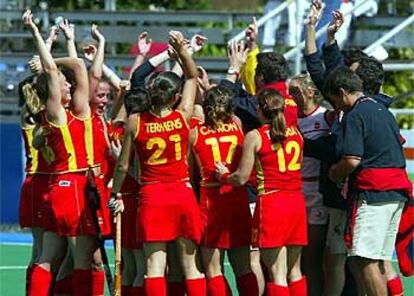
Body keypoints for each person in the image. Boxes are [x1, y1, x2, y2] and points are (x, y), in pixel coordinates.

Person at [109, 31, 206, 296]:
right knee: (191, 267)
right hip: (182, 193)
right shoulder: (184, 114)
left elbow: (123, 166)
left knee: (153, 267)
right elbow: (191, 76)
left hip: (152, 195)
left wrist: (115, 192)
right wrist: (184, 51)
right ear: (173, 96)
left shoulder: (135, 121)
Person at [22, 8, 104, 295]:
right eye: (63, 82)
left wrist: (47, 41)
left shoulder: (51, 114)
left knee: (47, 258)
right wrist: (37, 38)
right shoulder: (66, 114)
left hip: (57, 187)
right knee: (84, 260)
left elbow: (75, 71)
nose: (68, 82)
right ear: (56, 90)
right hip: (75, 187)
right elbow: (76, 68)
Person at [326, 67, 412, 296]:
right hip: (396, 192)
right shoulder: (383, 110)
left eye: (335, 99)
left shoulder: (356, 114)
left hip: (375, 193)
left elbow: (352, 160)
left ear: (343, 92)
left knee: (365, 260)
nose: (337, 106)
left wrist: (335, 172)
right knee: (372, 260)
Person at [216, 88, 307, 296]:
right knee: (295, 272)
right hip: (296, 203)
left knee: (277, 274)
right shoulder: (296, 133)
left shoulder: (255, 136)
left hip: (272, 204)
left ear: (260, 110)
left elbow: (240, 177)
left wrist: (222, 175)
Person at [189, 85, 258, 295]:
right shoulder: (237, 125)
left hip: (211, 202)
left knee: (213, 270)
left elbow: (191, 174)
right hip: (237, 198)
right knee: (244, 267)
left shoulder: (194, 133)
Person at [289, 73, 332, 296]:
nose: (291, 96)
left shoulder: (326, 117)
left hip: (316, 191)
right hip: (294, 191)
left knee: (314, 256)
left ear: (311, 92)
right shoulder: (288, 119)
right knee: (296, 258)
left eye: (295, 91)